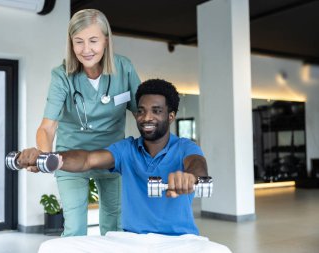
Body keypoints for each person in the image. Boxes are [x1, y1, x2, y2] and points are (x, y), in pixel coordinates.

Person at [19, 79, 232, 252]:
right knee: (52, 247)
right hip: (130, 241)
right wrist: (47, 158)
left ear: (171, 116)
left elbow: (198, 166)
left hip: (180, 241)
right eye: (141, 111)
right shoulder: (126, 149)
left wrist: (190, 177)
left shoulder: (186, 147)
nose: (146, 117)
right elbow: (87, 159)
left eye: (156, 111)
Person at [34, 9, 141, 236]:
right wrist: (46, 157)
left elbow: (142, 114)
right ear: (71, 43)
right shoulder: (62, 75)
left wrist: (150, 154)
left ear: (106, 40)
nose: (86, 49)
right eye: (78, 42)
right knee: (74, 228)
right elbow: (47, 126)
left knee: (115, 227)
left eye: (93, 40)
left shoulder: (124, 68)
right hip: (71, 157)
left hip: (111, 156)